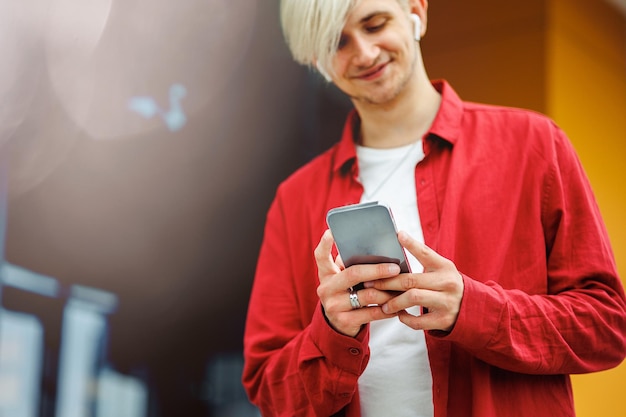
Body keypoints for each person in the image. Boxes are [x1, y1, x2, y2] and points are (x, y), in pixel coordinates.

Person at [242, 0, 626, 416]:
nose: (365, 53)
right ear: (317, 59)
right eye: (338, 42)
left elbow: (606, 327)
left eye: (375, 24)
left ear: (417, 12)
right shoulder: (294, 198)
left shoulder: (534, 144)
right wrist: (332, 330)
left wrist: (474, 308)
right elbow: (269, 391)